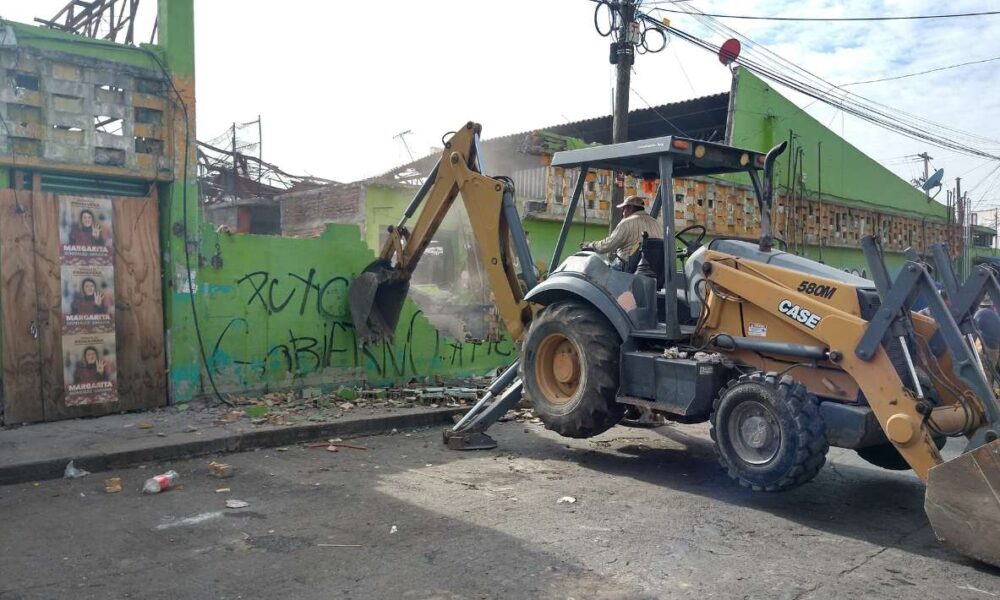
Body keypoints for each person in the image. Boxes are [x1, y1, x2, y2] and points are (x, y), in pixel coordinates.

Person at [580, 195, 662, 263]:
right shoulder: (656, 223)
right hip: (651, 268)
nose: (623, 213)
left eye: (623, 209)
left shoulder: (627, 223)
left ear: (630, 208)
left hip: (627, 268)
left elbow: (607, 245)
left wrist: (590, 245)